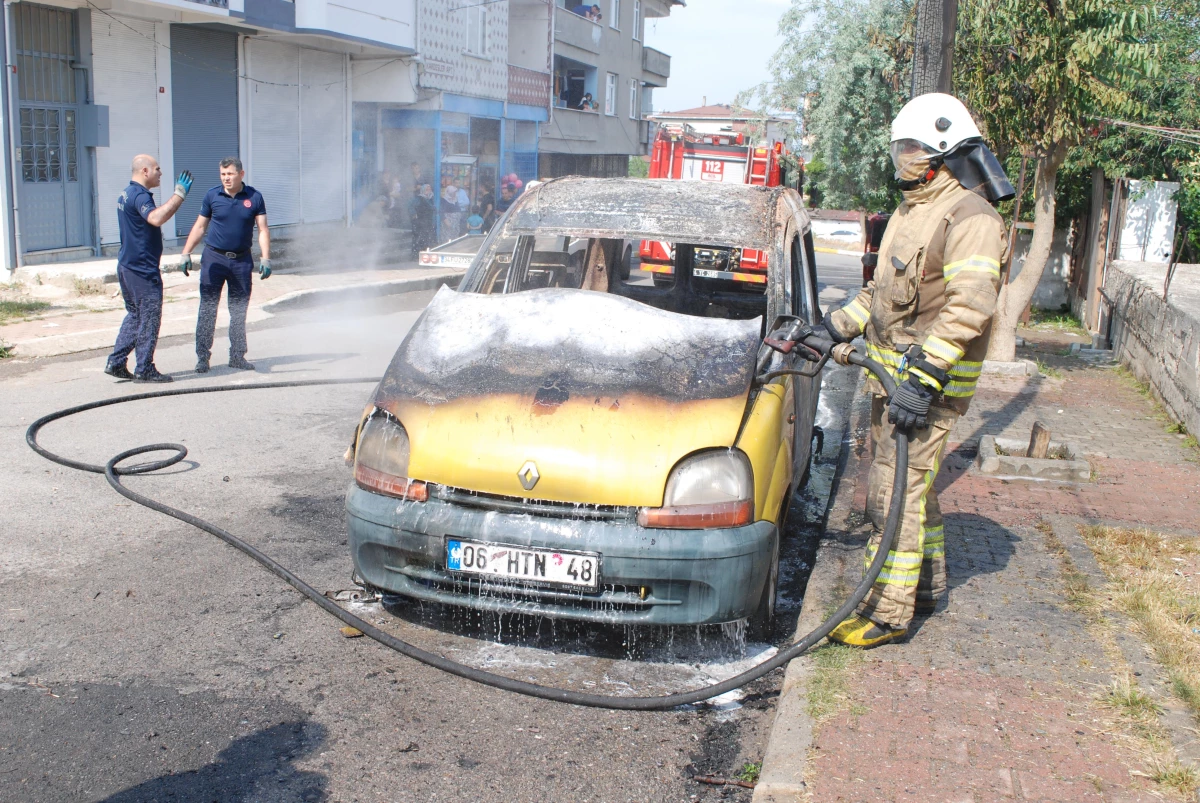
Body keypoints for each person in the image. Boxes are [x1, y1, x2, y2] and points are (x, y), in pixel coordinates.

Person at [821, 93, 1015, 648]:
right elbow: (881, 296)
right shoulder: (912, 212)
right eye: (900, 147)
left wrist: (925, 376)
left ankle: (887, 612)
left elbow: (970, 306)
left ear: (942, 152)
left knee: (895, 494)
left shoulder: (970, 218)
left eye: (912, 148)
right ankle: (926, 585)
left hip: (926, 388)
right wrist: (834, 328)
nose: (901, 157)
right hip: (894, 381)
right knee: (918, 492)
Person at [104, 155, 193, 383]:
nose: (160, 173)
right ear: (145, 171)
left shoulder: (126, 193)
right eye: (157, 169)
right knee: (149, 319)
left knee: (135, 316)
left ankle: (116, 362)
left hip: (127, 266)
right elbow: (155, 218)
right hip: (142, 270)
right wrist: (179, 195)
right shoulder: (140, 196)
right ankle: (144, 368)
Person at [179, 157, 271, 373]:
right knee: (208, 309)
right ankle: (203, 357)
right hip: (214, 259)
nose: (226, 178)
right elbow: (200, 226)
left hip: (241, 261)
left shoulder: (254, 197)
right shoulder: (212, 195)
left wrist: (265, 257)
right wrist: (186, 252)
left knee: (238, 311)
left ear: (241, 174)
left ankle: (237, 356)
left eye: (230, 174)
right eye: (223, 174)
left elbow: (263, 229)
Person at [409, 184, 436, 258]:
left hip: (428, 222)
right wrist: (414, 214)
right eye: (427, 189)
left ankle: (424, 254)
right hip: (419, 222)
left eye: (429, 188)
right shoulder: (419, 198)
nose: (428, 190)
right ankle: (415, 255)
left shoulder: (431, 198)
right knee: (418, 238)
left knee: (426, 238)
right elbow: (411, 206)